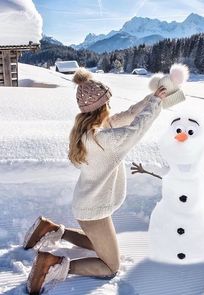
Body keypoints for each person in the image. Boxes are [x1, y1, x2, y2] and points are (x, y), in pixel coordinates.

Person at [24, 66, 187, 294]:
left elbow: (130, 114)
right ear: (100, 108)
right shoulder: (105, 141)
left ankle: (50, 229)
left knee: (97, 245)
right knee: (110, 265)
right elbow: (136, 129)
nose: (110, 108)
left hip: (86, 207)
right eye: (107, 104)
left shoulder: (88, 131)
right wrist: (155, 105)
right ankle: (51, 264)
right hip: (94, 213)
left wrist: (153, 97)